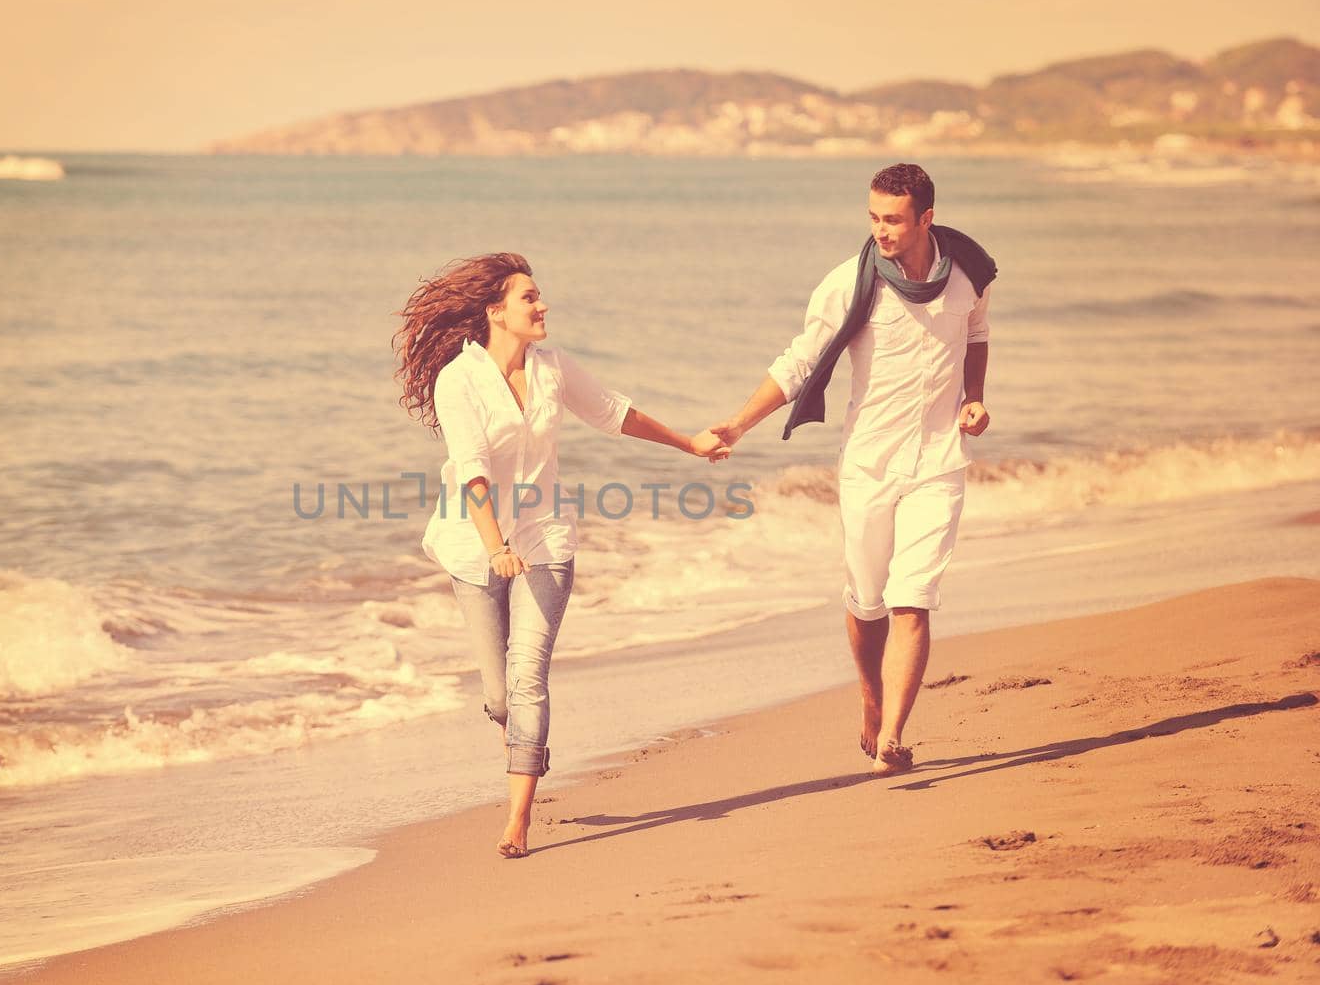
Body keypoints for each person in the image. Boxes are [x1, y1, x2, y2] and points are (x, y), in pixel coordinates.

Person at [394, 252, 728, 858]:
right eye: (529, 298)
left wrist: (688, 444)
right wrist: (495, 545)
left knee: (528, 677)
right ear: (495, 312)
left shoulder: (552, 368)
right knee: (499, 696)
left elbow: (614, 413)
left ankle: (517, 817)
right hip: (475, 545)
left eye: (539, 295)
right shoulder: (458, 380)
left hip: (545, 539)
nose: (542, 305)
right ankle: (527, 741)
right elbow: (471, 470)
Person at [710, 164, 997, 776]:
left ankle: (892, 736)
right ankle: (871, 700)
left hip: (939, 460)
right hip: (869, 464)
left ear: (926, 218)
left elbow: (976, 335)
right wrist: (737, 424)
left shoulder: (969, 274)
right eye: (873, 217)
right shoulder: (850, 282)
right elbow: (798, 362)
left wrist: (973, 397)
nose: (880, 230)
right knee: (868, 602)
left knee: (912, 599)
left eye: (893, 219)